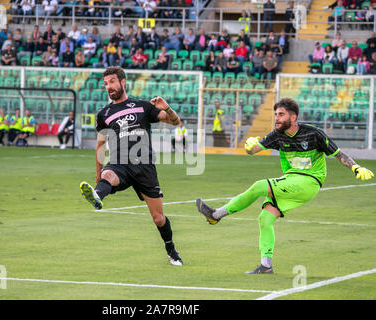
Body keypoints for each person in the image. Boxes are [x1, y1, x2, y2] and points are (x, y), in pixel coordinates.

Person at [196, 98, 374, 274]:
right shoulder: (277, 135)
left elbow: (339, 154)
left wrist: (355, 167)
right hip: (291, 181)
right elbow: (254, 150)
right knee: (265, 219)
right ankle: (266, 266)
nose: (277, 118)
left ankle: (216, 215)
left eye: (281, 114)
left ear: (293, 117)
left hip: (309, 181)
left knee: (259, 186)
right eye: (275, 114)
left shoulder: (313, 134)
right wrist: (249, 147)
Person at [79, 66, 184, 267]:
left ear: (122, 81)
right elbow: (100, 145)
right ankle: (98, 196)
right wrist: (98, 174)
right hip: (120, 163)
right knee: (108, 175)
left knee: (158, 218)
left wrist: (166, 107)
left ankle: (171, 250)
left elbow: (175, 122)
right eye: (105, 84)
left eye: (111, 82)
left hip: (144, 166)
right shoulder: (104, 114)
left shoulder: (143, 106)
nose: (108, 86)